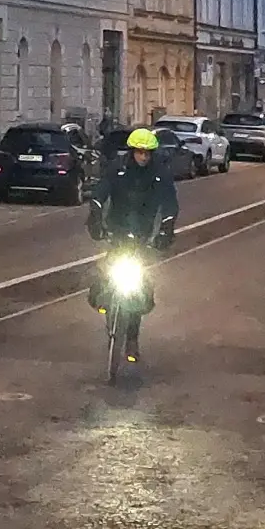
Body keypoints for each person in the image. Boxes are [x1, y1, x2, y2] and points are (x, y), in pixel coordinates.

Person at [85, 127, 179, 363]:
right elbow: (100, 193)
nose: (144, 157)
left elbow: (169, 205)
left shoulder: (160, 174)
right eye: (139, 153)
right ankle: (101, 300)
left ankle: (132, 339)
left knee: (140, 287)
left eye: (148, 153)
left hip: (142, 235)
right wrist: (95, 217)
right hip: (116, 230)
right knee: (104, 271)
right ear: (132, 152)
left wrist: (165, 231)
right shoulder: (117, 169)